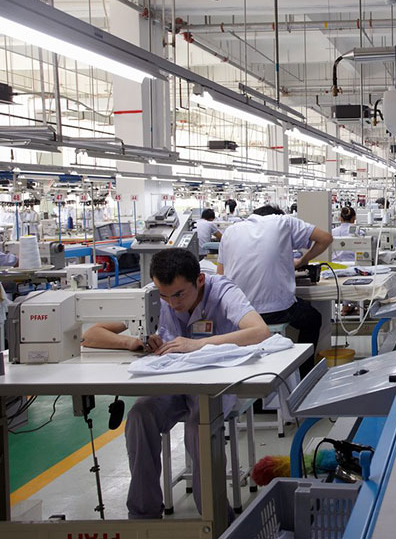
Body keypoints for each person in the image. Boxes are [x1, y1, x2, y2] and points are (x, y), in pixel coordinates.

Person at [82, 248, 269, 520]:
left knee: (199, 424)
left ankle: (215, 517)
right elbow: (91, 334)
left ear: (199, 281)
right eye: (164, 296)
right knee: (140, 416)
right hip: (171, 384)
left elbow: (260, 331)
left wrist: (198, 345)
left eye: (180, 294)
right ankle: (144, 517)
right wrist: (132, 342)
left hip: (213, 384)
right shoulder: (153, 297)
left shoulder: (222, 292)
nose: (172, 303)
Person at [217, 204, 333, 369]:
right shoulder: (283, 221)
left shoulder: (229, 232)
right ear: (276, 215)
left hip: (238, 313)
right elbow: (325, 238)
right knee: (313, 318)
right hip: (276, 312)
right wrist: (302, 261)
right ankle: (304, 373)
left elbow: (220, 276)